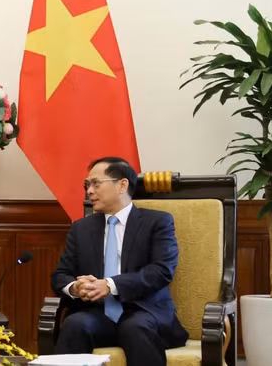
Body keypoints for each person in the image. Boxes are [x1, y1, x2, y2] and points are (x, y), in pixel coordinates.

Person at [51, 157, 188, 366]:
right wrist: (76, 288)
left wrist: (110, 285)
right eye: (87, 185)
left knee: (135, 328)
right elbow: (61, 275)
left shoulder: (157, 222)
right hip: (96, 314)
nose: (89, 191)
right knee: (75, 324)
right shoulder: (81, 228)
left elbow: (162, 270)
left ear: (122, 185)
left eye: (96, 183)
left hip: (144, 311)